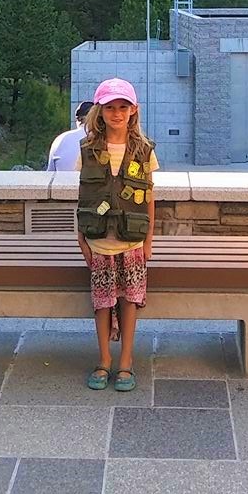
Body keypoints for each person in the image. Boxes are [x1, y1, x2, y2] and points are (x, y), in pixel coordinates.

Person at [76, 78, 158, 392]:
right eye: (110, 107)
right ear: (100, 111)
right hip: (98, 242)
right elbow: (83, 196)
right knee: (101, 302)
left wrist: (149, 239)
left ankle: (126, 361)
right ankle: (103, 359)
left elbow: (150, 198)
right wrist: (81, 239)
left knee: (129, 301)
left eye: (123, 107)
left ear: (133, 110)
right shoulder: (87, 150)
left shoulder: (144, 151)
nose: (117, 113)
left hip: (132, 242)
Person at [46, 101, 93, 172]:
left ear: (78, 120)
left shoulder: (60, 139)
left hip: (62, 182)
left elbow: (50, 174)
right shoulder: (101, 139)